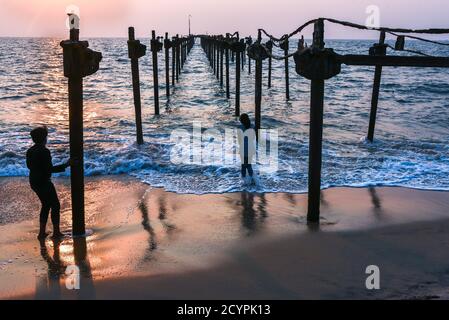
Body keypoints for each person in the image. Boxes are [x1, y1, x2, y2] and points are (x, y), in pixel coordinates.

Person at [26, 126, 73, 240]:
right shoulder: (44, 151)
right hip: (44, 182)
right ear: (44, 138)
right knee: (55, 205)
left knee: (46, 205)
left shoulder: (30, 151)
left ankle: (42, 233)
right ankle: (56, 233)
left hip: (34, 181)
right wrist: (66, 165)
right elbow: (49, 169)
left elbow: (29, 166)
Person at [237, 114, 257, 185]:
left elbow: (239, 140)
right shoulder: (252, 126)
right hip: (251, 147)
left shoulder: (240, 128)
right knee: (249, 165)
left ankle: (244, 181)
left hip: (243, 147)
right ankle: (252, 180)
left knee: (243, 165)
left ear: (241, 120)